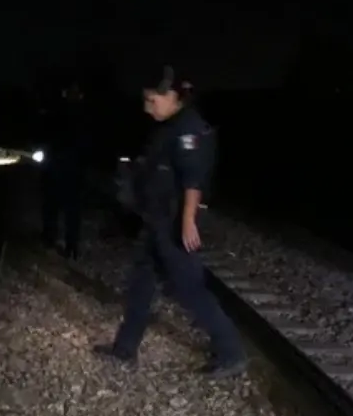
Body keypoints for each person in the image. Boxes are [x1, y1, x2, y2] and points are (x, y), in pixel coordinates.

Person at [93, 66, 246, 377]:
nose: (148, 107)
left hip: (174, 223)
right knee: (140, 285)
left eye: (152, 100)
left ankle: (231, 353)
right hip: (156, 221)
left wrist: (188, 222)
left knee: (190, 289)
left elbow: (194, 180)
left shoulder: (188, 128)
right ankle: (125, 349)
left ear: (172, 97)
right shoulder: (168, 126)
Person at [41, 81, 89, 259]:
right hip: (67, 165)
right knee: (67, 207)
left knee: (59, 205)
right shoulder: (68, 113)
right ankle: (66, 243)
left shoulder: (62, 112)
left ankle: (59, 241)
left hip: (65, 164)